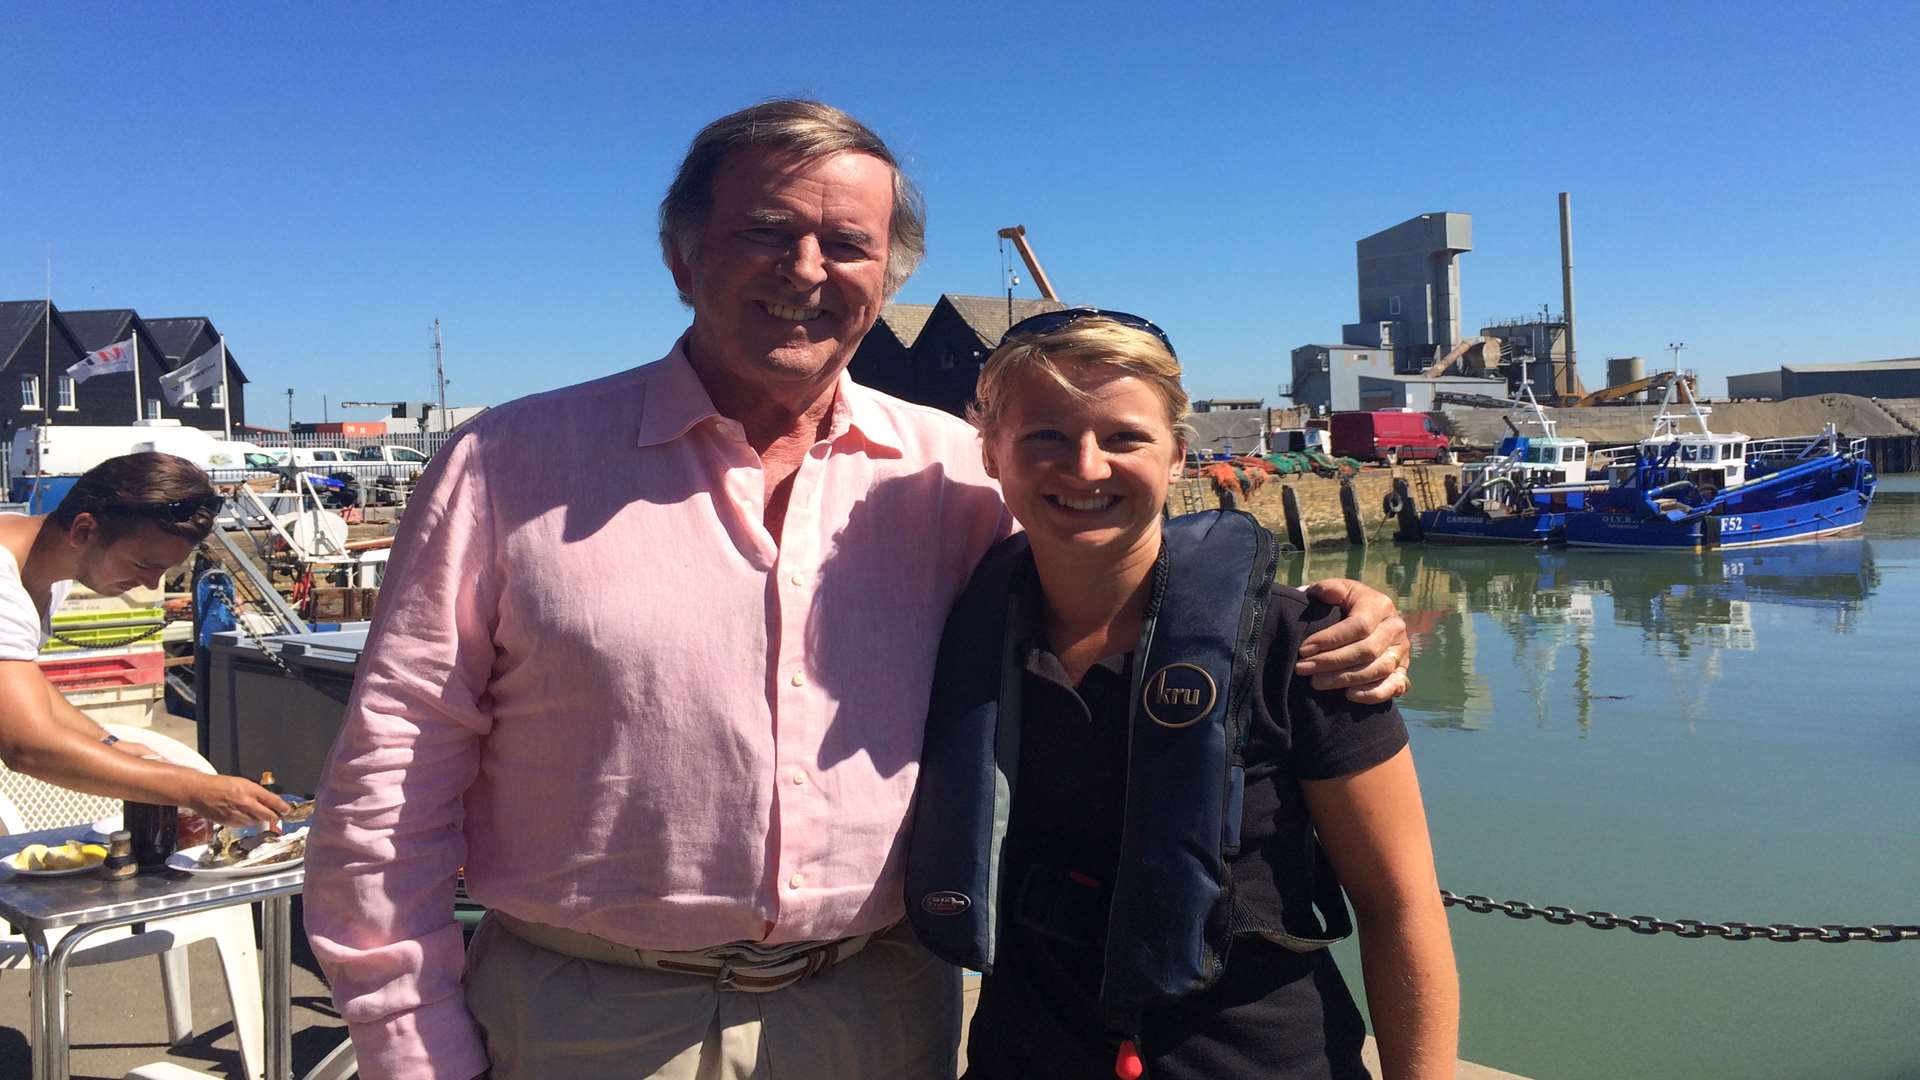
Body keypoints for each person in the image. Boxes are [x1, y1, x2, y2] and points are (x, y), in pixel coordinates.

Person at [305, 99, 1412, 1080]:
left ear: (888, 276)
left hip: (880, 1014)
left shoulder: (956, 468)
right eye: (764, 232)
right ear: (681, 257)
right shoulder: (507, 462)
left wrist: (1337, 610)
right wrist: (411, 1043)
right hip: (582, 1019)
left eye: (847, 243)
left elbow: (1115, 561)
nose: (805, 269)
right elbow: (393, 774)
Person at [906, 311, 1457, 1079]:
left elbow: (1400, 907)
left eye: (1124, 438)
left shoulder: (1304, 649)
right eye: (1044, 437)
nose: (1086, 467)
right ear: (992, 455)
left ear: (1178, 458)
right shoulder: (952, 634)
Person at [0, 452, 290, 826]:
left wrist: (108, 744)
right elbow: (29, 747)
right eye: (142, 565)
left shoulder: (40, 569)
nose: (152, 584)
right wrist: (194, 789)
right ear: (83, 530)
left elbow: (21, 684)